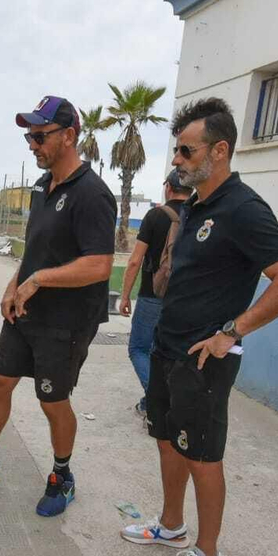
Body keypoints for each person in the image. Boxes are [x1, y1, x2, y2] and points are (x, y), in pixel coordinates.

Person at [122, 97, 278, 556]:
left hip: (206, 357)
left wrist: (233, 332)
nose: (177, 161)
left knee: (202, 455)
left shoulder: (243, 208)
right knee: (166, 439)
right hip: (169, 347)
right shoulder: (198, 206)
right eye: (177, 151)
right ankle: (170, 526)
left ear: (219, 150)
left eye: (186, 151)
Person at [0, 96, 116, 516]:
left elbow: (100, 265)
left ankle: (62, 476)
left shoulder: (93, 194)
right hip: (25, 310)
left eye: (39, 135)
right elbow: (36, 248)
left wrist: (38, 280)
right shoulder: (40, 187)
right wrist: (14, 283)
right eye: (28, 137)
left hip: (66, 320)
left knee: (52, 401)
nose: (31, 144)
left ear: (69, 136)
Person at [118, 170, 191, 418]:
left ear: (168, 188)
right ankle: (153, 401)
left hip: (153, 295)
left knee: (139, 348)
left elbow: (135, 260)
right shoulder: (199, 214)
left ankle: (159, 401)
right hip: (185, 298)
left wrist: (126, 295)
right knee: (169, 353)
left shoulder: (155, 216)